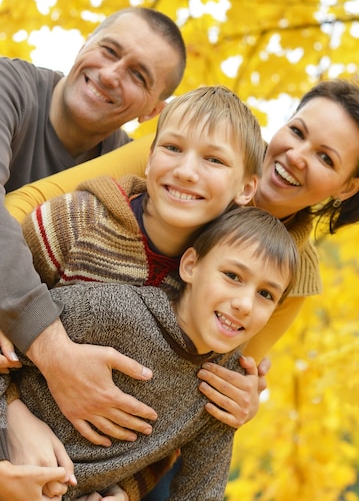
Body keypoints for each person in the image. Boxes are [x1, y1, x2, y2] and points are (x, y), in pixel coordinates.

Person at [2, 79, 359, 498]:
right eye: (297, 131)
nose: (295, 156)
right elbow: (21, 212)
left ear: (348, 187)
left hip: (118, 448)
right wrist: (23, 321)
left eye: (325, 158)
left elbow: (192, 397)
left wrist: (125, 490)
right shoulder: (189, 154)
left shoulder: (293, 278)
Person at [1, 84, 265, 500]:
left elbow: (170, 422)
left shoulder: (217, 295)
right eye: (173, 148)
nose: (187, 171)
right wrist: (11, 418)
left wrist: (123, 490)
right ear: (150, 154)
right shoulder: (77, 221)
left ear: (247, 189)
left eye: (213, 159)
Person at [0, 206, 299, 501]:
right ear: (191, 266)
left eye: (266, 295)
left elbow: (202, 491)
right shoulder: (108, 311)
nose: (245, 304)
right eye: (233, 275)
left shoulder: (223, 389)